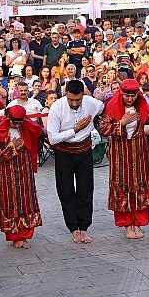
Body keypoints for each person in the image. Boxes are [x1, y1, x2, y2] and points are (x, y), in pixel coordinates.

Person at [47, 80, 104, 244]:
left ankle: (84, 227)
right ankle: (73, 228)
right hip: (64, 153)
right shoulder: (57, 107)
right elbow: (53, 138)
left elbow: (102, 105)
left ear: (83, 95)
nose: (74, 103)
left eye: (77, 100)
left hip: (85, 150)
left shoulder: (90, 103)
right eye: (71, 99)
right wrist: (75, 130)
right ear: (65, 94)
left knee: (86, 189)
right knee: (65, 191)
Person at [98, 79, 149, 239]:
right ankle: (127, 224)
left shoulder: (142, 105)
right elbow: (102, 129)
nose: (130, 99)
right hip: (120, 153)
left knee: (140, 184)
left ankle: (138, 223)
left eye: (133, 96)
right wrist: (121, 123)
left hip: (138, 152)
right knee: (122, 185)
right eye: (127, 96)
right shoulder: (112, 107)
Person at [0, 105, 44, 249]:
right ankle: (14, 236)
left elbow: (38, 137)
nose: (16, 125)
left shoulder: (28, 127)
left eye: (19, 122)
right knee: (10, 202)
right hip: (7, 173)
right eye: (14, 121)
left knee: (27, 201)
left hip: (25, 170)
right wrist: (11, 148)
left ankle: (25, 235)